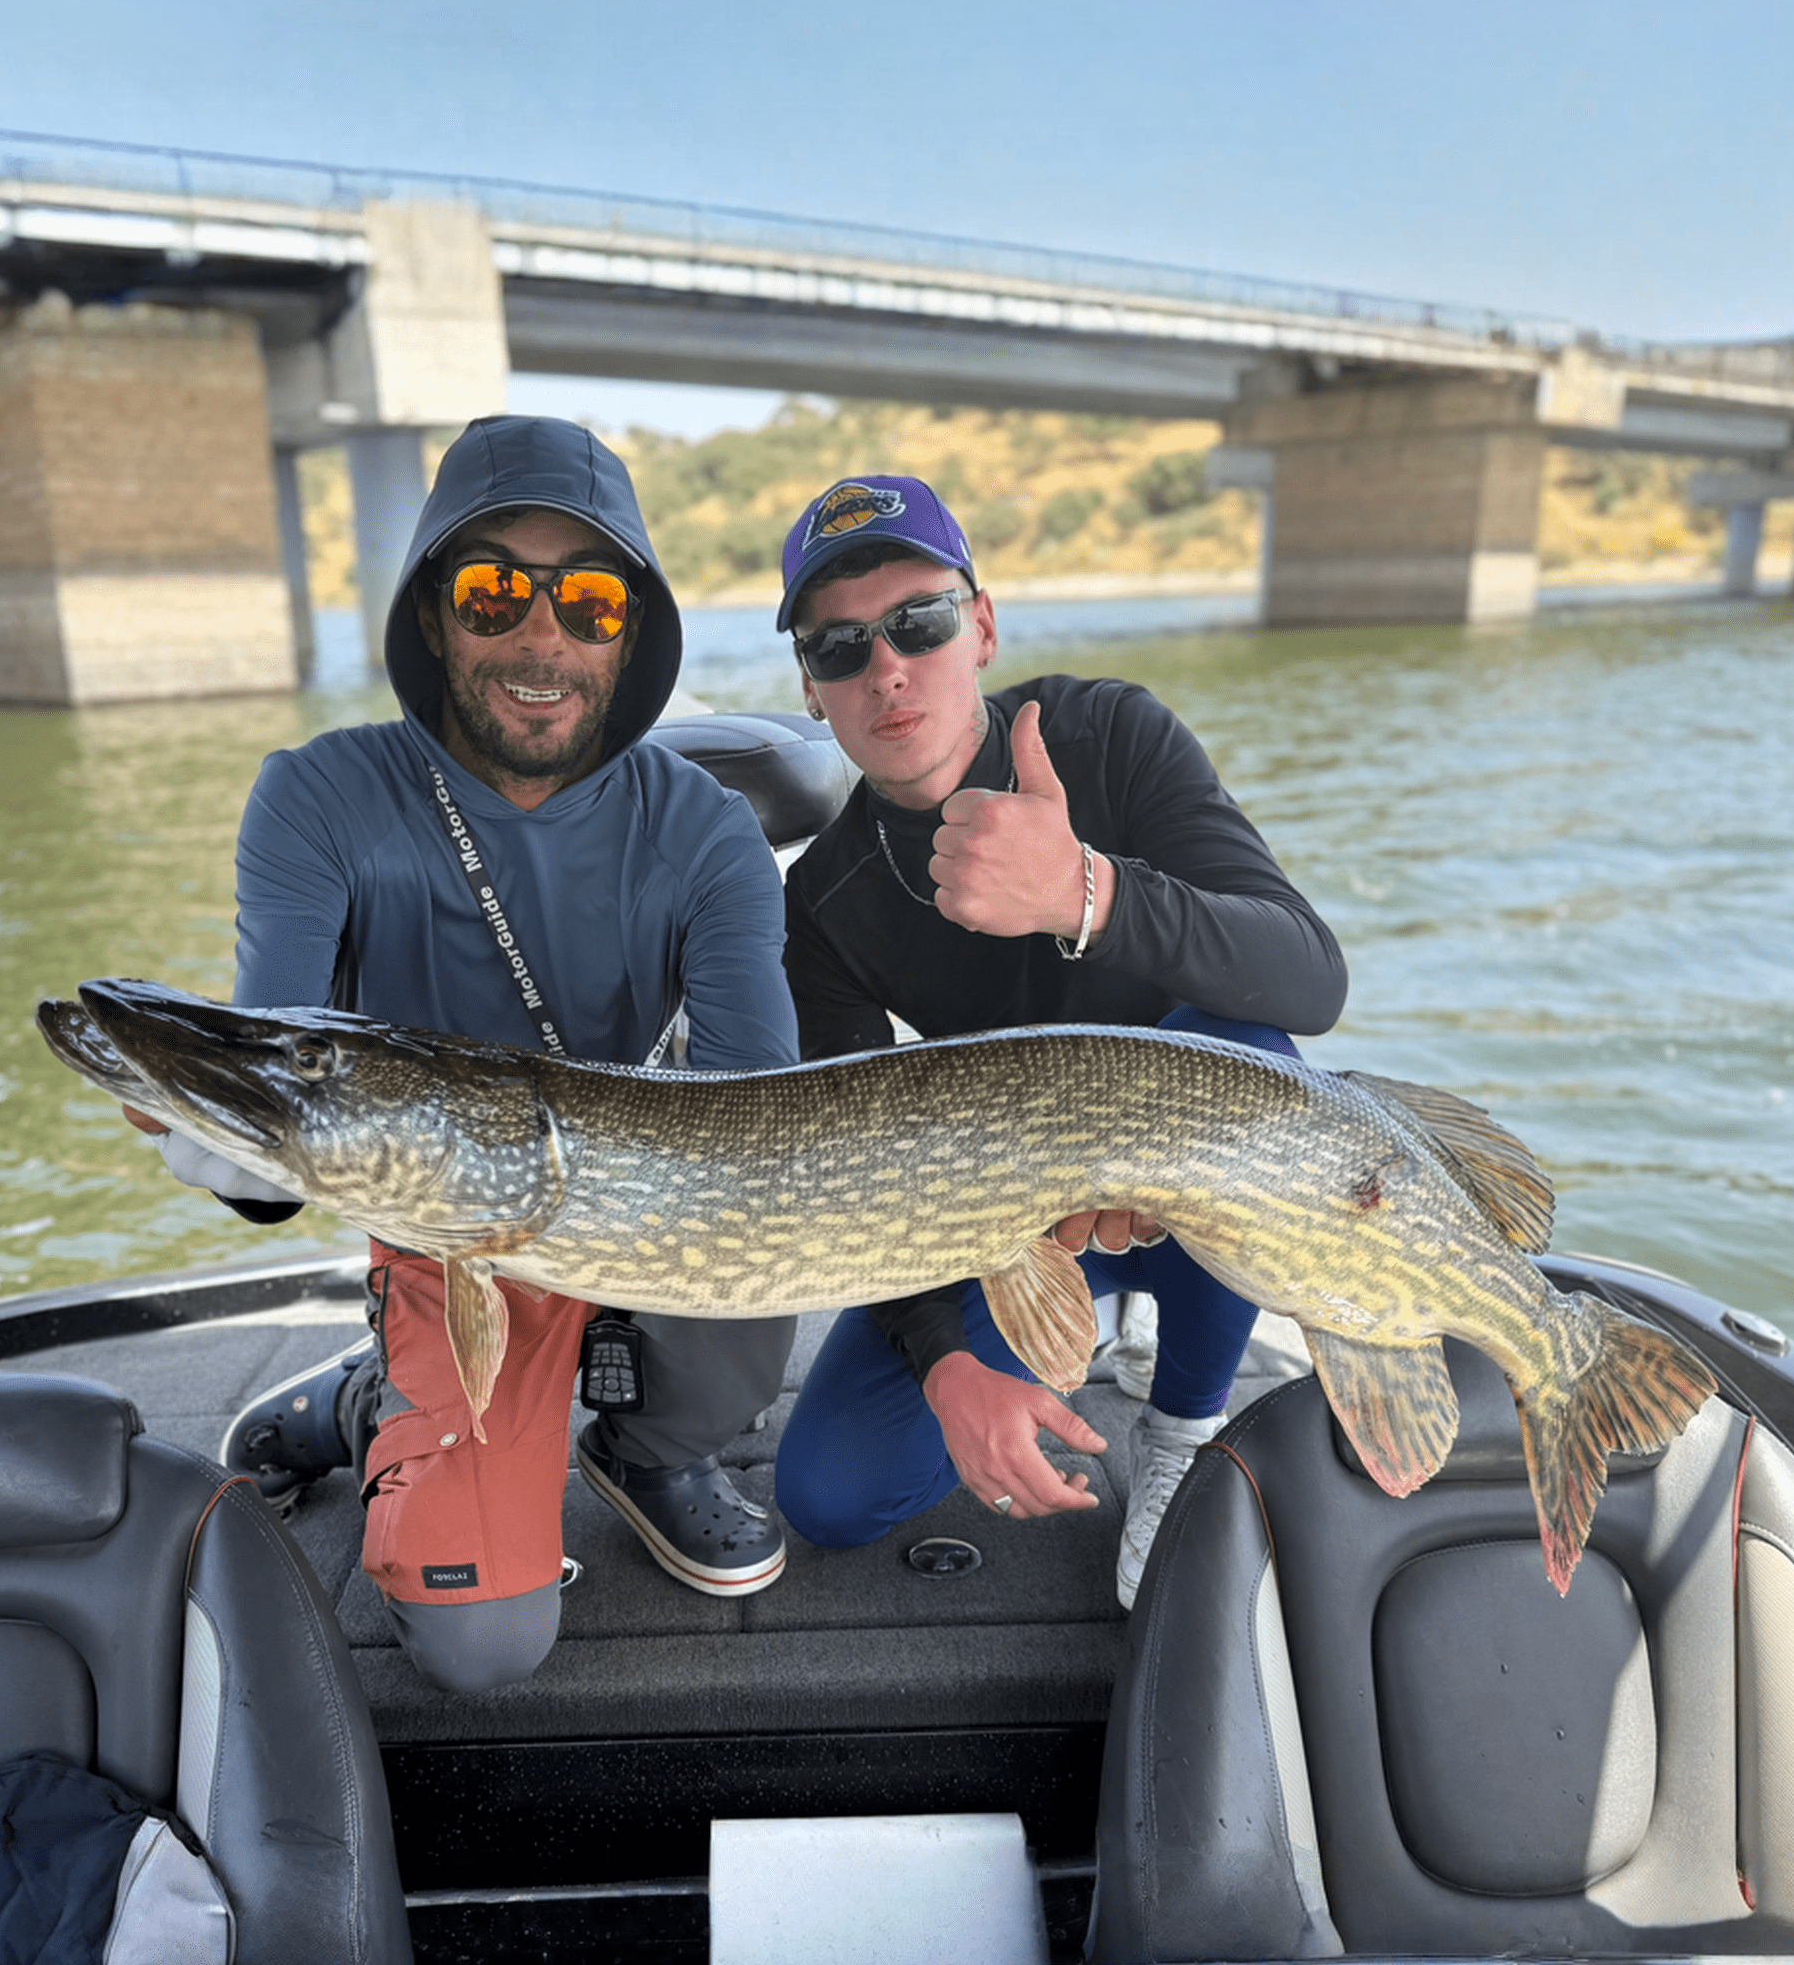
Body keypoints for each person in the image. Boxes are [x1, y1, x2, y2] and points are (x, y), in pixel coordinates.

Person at [125, 416, 800, 1694]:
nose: (540, 635)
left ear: (629, 627)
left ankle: (650, 1445)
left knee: (755, 1274)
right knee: (482, 1644)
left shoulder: (704, 830)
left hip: (664, 1203)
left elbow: (750, 1118)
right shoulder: (319, 797)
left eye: (587, 598)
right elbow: (280, 1104)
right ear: (435, 614)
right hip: (446, 1227)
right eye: (494, 590)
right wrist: (207, 1152)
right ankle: (371, 1390)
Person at [769, 475, 1347, 1610]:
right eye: (838, 646)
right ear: (810, 689)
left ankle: (1183, 1418)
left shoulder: (1110, 735)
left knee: (1243, 1047)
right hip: (1009, 1214)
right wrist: (945, 1368)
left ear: (979, 626)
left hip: (1189, 1190)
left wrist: (1085, 891)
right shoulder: (824, 902)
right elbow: (860, 1182)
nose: (884, 666)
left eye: (918, 622)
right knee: (829, 1491)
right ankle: (1087, 1311)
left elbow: (1306, 974)